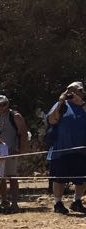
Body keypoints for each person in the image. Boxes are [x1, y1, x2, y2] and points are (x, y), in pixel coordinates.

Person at [45, 81, 86, 214]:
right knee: (59, 177)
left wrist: (82, 104)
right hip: (61, 147)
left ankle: (77, 201)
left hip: (82, 148)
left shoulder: (83, 105)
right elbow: (52, 120)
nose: (72, 93)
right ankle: (58, 203)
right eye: (69, 90)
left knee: (82, 178)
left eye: (76, 90)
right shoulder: (61, 105)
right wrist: (60, 102)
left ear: (82, 92)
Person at [0, 95, 29, 212]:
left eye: (3, 104)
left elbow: (23, 133)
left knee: (12, 177)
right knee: (0, 178)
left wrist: (21, 150)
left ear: (7, 104)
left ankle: (15, 203)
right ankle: (4, 200)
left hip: (12, 151)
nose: (1, 107)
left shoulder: (15, 116)